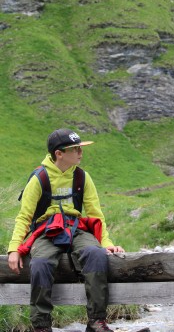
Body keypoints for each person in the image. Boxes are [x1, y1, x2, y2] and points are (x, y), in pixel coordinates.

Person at [8, 128, 124, 332]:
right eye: (75, 149)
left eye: (80, 148)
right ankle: (42, 327)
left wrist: (107, 244)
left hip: (76, 228)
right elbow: (24, 217)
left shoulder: (82, 177)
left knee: (96, 254)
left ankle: (96, 322)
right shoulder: (39, 178)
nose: (80, 152)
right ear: (59, 154)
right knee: (41, 262)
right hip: (46, 233)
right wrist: (14, 248)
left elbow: (96, 215)